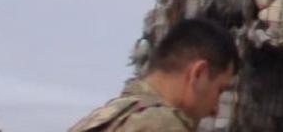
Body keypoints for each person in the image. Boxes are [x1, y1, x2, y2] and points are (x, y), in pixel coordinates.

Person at [69, 18, 239, 132]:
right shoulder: (163, 125)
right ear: (198, 74)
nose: (216, 110)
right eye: (219, 90)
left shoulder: (101, 119)